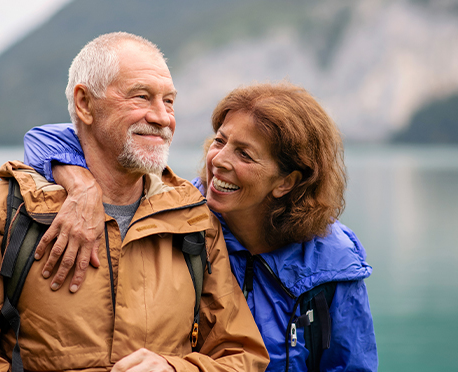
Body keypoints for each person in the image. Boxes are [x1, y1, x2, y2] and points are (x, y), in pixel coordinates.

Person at [0, 32, 269, 372]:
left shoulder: (194, 219)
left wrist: (174, 369)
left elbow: (242, 356)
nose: (162, 117)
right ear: (85, 103)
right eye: (141, 97)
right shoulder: (1, 213)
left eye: (169, 101)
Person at [23, 83, 378, 371]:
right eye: (220, 141)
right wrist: (81, 184)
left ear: (286, 182)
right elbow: (42, 138)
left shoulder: (332, 262)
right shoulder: (181, 214)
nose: (218, 161)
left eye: (245, 154)